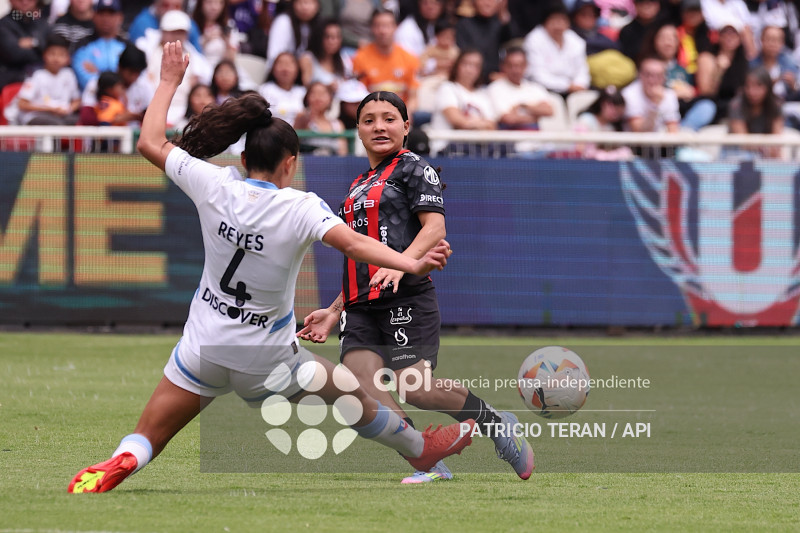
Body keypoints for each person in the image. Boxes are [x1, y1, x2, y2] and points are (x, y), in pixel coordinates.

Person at [67, 40, 474, 494]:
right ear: (291, 163)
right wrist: (411, 260)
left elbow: (149, 141)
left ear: (243, 160)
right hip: (268, 360)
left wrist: (167, 82)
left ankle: (128, 456)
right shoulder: (301, 207)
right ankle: (420, 447)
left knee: (150, 435)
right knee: (346, 388)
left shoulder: (214, 184)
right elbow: (358, 246)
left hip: (203, 347)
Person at [297, 90, 534, 485]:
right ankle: (424, 459)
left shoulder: (412, 167)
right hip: (359, 306)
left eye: (389, 118)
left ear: (406, 126)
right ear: (357, 130)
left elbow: (435, 228)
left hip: (406, 297)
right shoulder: (357, 185)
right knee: (361, 393)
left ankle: (494, 421)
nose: (379, 126)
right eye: (369, 119)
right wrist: (334, 309)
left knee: (415, 388)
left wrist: (401, 265)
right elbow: (358, 254)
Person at [428, 48, 499, 155]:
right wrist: (480, 124)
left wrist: (471, 123)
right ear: (457, 66)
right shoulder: (447, 88)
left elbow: (492, 126)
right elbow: (457, 121)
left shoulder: (483, 95)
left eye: (475, 66)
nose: (470, 69)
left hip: (477, 151)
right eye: (466, 64)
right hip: (447, 151)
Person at [352, 9, 420, 118]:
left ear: (395, 27)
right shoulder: (360, 58)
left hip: (401, 115)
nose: (382, 31)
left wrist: (406, 114)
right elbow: (357, 96)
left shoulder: (409, 58)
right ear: (372, 28)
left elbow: (413, 96)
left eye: (387, 26)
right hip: (371, 115)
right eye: (378, 26)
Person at [524, 0, 591, 98]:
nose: (558, 25)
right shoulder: (534, 40)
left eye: (562, 20)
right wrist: (567, 86)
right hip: (543, 90)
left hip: (574, 90)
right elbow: (537, 75)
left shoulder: (576, 40)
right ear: (545, 22)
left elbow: (582, 71)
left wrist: (579, 85)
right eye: (554, 20)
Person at [15, 34, 81, 126]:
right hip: (37, 115)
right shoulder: (37, 75)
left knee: (80, 121)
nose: (56, 59)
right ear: (44, 55)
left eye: (61, 55)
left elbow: (77, 100)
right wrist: (49, 109)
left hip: (61, 115)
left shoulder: (69, 74)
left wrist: (69, 109)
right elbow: (22, 104)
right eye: (52, 54)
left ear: (68, 58)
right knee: (56, 124)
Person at [487, 46, 554, 131]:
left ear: (526, 66)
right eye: (511, 66)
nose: (516, 70)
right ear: (503, 66)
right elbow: (508, 119)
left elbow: (549, 111)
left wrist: (524, 106)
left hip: (538, 140)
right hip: (511, 141)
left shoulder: (535, 88)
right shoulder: (495, 88)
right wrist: (536, 116)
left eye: (520, 65)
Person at [727, 65, 783, 158]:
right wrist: (765, 149)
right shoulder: (736, 105)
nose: (752, 92)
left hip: (766, 156)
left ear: (768, 87)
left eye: (758, 86)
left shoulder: (776, 105)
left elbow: (776, 140)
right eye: (748, 86)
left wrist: (772, 151)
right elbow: (743, 142)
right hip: (736, 154)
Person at [71, 0, 128, 90]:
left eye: (111, 14)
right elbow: (84, 77)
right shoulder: (82, 44)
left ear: (120, 17)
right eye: (101, 14)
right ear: (94, 16)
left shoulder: (127, 46)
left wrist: (98, 72)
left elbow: (130, 77)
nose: (106, 18)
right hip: (91, 99)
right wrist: (115, 80)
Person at [0, 0, 52, 91]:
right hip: (12, 81)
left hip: (43, 81)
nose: (24, 2)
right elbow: (14, 54)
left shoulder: (42, 23)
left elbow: (52, 49)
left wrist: (33, 42)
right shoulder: (3, 25)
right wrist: (40, 49)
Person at [622, 55, 681, 132]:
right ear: (640, 75)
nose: (652, 80)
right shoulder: (629, 94)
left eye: (658, 76)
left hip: (660, 142)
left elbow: (673, 131)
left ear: (664, 78)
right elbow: (639, 132)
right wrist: (655, 106)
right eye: (648, 75)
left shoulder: (669, 95)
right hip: (631, 143)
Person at [294, 81, 349, 155]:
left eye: (322, 94)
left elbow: (343, 153)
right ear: (307, 98)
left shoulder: (338, 124)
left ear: (330, 99)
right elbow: (293, 144)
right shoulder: (302, 118)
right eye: (314, 93)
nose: (318, 97)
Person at [128, 0, 204, 52]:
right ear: (156, 4)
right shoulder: (142, 24)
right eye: (166, 5)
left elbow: (198, 58)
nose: (171, 10)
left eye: (176, 6)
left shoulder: (190, 26)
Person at [266, 0, 322, 71]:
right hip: (284, 72)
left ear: (317, 6)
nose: (305, 7)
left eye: (309, 3)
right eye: (300, 2)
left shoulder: (320, 26)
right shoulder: (283, 22)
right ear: (293, 4)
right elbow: (274, 57)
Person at [258, 51, 307, 125]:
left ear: (297, 70)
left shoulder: (303, 91)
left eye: (289, 65)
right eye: (280, 64)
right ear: (273, 69)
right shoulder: (264, 90)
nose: (285, 69)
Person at [192, 0, 241, 68]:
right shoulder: (191, 25)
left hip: (222, 70)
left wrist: (226, 40)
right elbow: (189, 54)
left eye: (219, 3)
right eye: (209, 2)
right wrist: (206, 40)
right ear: (201, 3)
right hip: (199, 69)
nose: (214, 7)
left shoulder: (229, 25)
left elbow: (232, 59)